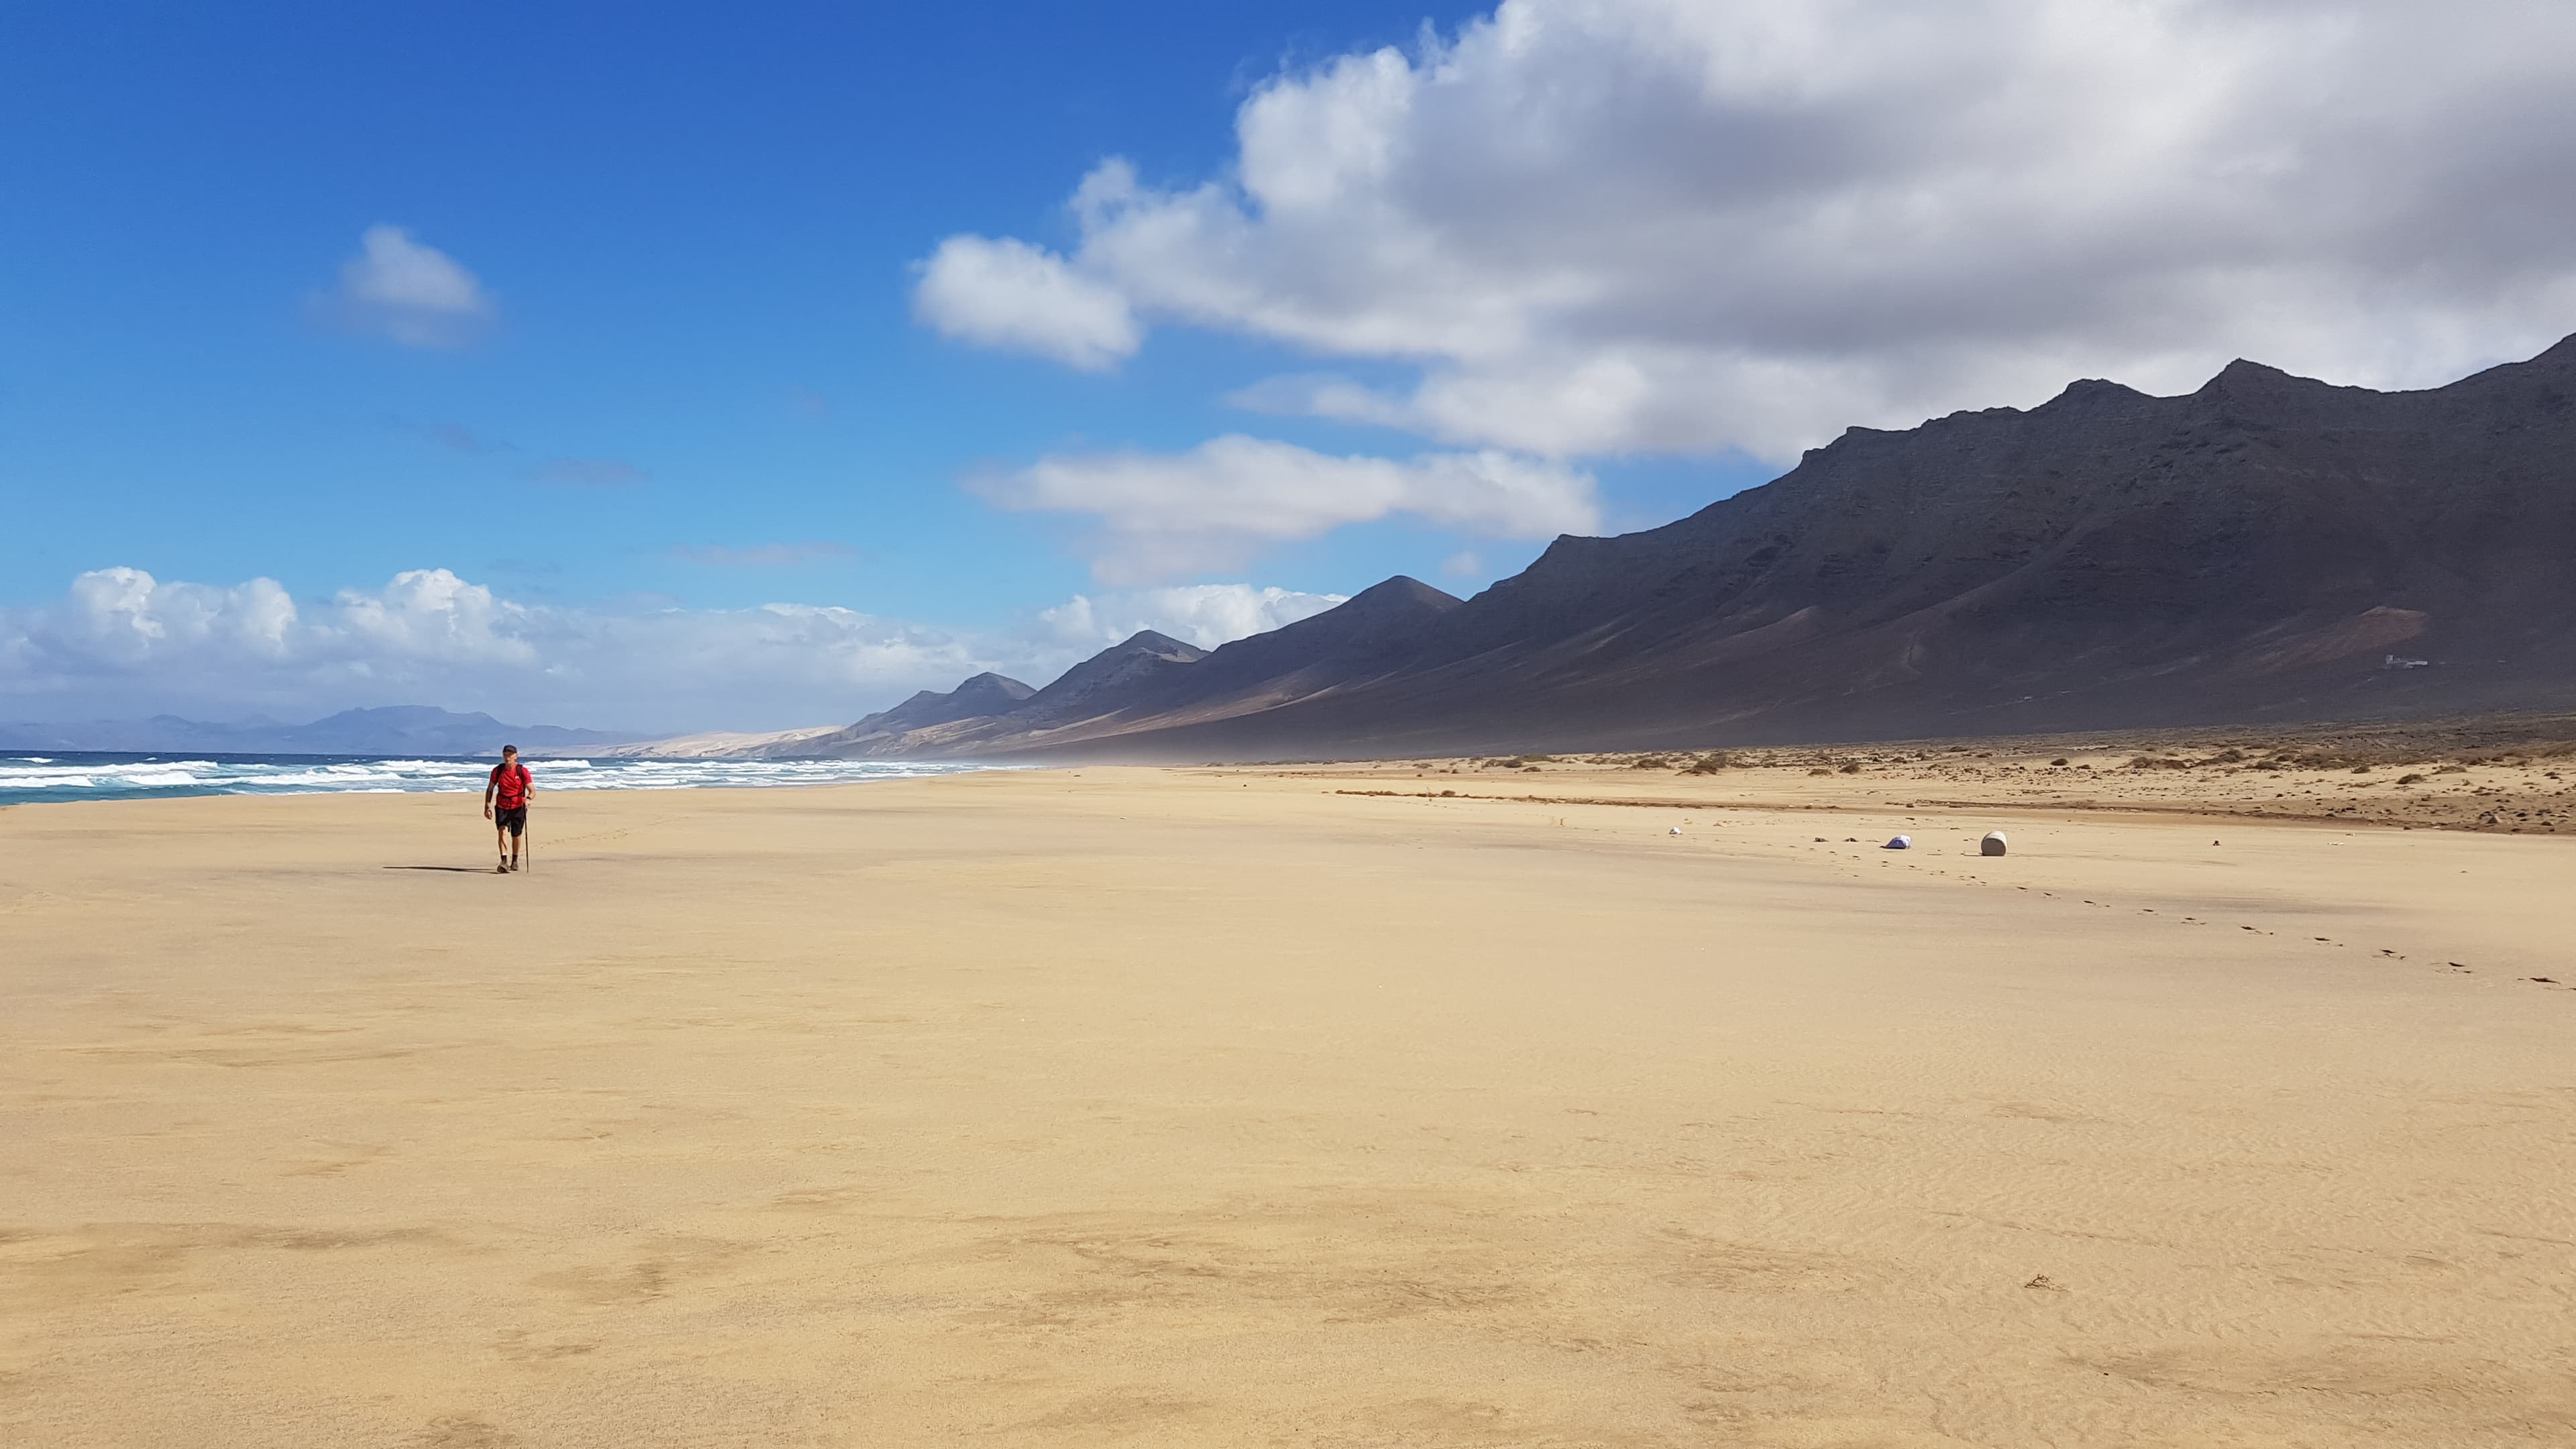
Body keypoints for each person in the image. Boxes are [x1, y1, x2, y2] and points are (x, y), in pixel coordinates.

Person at [483, 745, 532, 873]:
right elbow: (490, 789)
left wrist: (528, 799)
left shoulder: (522, 771)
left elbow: (532, 790)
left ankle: (515, 860)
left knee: (516, 834)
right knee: (502, 831)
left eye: (510, 755)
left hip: (518, 807)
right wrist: (487, 806)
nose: (507, 757)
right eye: (505, 754)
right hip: (502, 806)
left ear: (516, 756)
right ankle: (503, 861)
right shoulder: (497, 771)